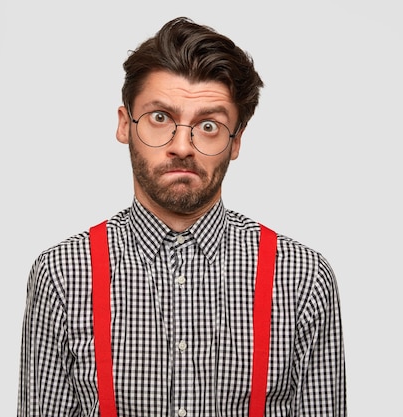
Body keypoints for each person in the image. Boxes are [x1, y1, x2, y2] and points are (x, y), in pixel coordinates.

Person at [18, 16, 346, 417]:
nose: (181, 146)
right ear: (125, 125)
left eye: (208, 125)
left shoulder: (302, 278)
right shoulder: (63, 275)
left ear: (236, 141)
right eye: (160, 118)